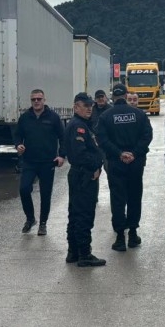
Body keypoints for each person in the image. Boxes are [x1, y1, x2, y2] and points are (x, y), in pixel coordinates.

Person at [97, 83, 153, 252]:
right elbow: (147, 136)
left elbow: (102, 139)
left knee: (118, 198)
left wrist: (120, 153)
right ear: (126, 95)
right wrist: (134, 153)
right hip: (135, 163)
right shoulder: (139, 114)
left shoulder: (106, 116)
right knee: (135, 197)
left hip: (116, 162)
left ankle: (120, 236)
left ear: (113, 97)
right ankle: (133, 234)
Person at [13, 89, 65, 236]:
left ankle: (43, 223)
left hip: (48, 162)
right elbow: (17, 135)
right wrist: (18, 145)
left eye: (39, 99)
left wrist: (61, 155)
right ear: (31, 101)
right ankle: (30, 218)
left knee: (45, 194)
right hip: (29, 161)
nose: (36, 102)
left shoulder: (53, 118)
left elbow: (63, 137)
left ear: (44, 100)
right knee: (24, 189)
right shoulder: (25, 118)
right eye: (33, 99)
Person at [63, 92, 106, 267]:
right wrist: (95, 165)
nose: (89, 109)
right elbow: (80, 155)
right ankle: (84, 253)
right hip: (84, 176)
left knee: (75, 214)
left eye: (90, 106)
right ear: (76, 107)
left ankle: (73, 252)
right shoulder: (78, 126)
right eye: (85, 106)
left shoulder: (84, 124)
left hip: (82, 174)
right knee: (84, 215)